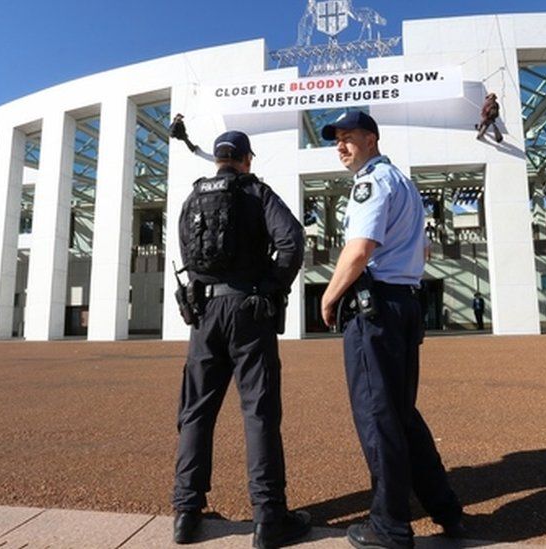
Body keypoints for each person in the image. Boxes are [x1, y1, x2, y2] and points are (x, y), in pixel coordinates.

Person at [319, 111, 465, 549]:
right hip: (404, 303)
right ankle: (445, 509)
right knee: (402, 414)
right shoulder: (402, 182)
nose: (341, 146)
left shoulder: (370, 182)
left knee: (377, 414)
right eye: (337, 140)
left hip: (376, 307)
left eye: (349, 137)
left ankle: (389, 526)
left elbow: (360, 249)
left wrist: (328, 297)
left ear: (372, 138)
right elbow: (421, 247)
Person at [171, 130, 311, 548]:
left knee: (195, 411)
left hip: (204, 316)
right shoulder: (256, 192)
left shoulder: (192, 198)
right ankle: (268, 520)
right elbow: (292, 240)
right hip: (249, 312)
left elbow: (187, 253)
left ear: (217, 159)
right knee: (259, 412)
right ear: (246, 159)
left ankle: (186, 513)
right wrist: (270, 288)